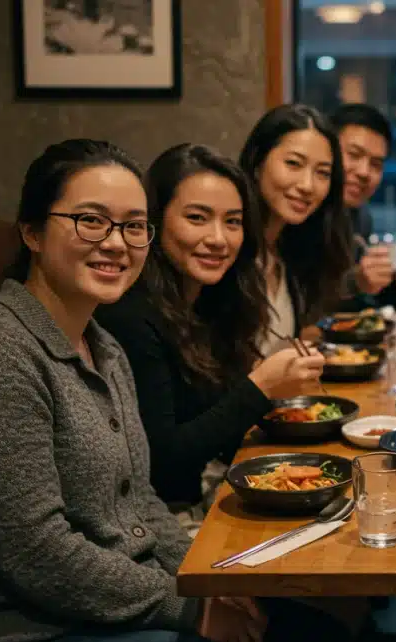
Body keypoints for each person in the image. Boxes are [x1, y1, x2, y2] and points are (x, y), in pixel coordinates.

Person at [0, 139, 265, 642]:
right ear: (31, 231)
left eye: (132, 226)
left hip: (109, 608)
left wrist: (203, 582)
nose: (117, 243)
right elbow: (36, 554)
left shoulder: (102, 346)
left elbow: (140, 499)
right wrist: (191, 608)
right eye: (91, 221)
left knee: (300, 627)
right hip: (28, 633)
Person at [94, 144, 325, 535]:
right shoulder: (130, 317)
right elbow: (162, 461)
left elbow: (215, 424)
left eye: (232, 222)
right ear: (154, 221)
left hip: (207, 497)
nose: (219, 238)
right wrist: (261, 386)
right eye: (197, 218)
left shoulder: (211, 302)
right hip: (161, 523)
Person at [238, 104, 355, 355]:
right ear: (258, 162)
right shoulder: (228, 250)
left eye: (322, 173)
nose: (307, 185)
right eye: (293, 164)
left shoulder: (289, 252)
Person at [329, 103, 396, 311]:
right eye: (354, 155)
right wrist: (356, 281)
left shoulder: (361, 216)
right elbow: (298, 299)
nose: (364, 172)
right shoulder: (300, 212)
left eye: (376, 164)